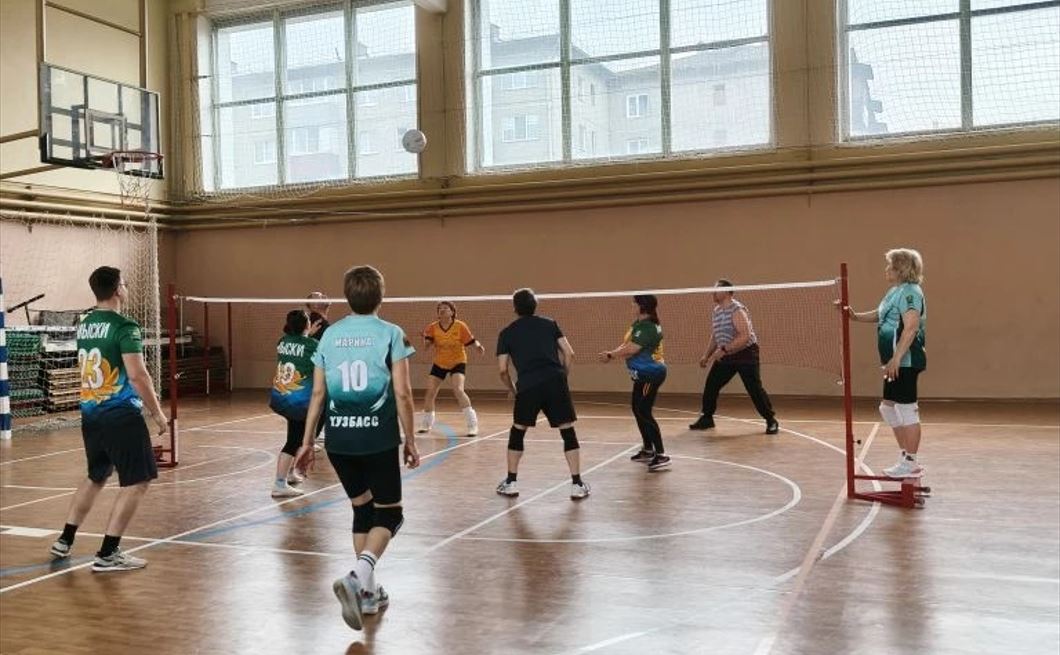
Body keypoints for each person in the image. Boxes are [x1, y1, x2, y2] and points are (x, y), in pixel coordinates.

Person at [295, 265, 420, 631]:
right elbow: (403, 393)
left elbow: (318, 394)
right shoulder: (391, 334)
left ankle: (367, 593)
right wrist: (410, 439)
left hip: (339, 441)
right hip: (377, 440)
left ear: (347, 297)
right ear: (381, 296)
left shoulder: (329, 336)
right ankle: (357, 576)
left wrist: (307, 442)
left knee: (363, 509)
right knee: (391, 514)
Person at [48, 266, 168, 572]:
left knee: (96, 475)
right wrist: (157, 413)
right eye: (124, 283)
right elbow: (138, 375)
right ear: (117, 290)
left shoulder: (85, 324)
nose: (126, 287)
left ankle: (65, 539)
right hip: (120, 414)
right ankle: (108, 553)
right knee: (138, 481)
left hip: (91, 413)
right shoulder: (125, 327)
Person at [495, 288, 590, 500]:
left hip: (527, 386)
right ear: (535, 305)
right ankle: (577, 484)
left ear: (515, 308)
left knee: (518, 430)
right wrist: (562, 377)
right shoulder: (550, 324)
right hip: (555, 382)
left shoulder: (506, 333)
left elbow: (502, 370)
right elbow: (569, 353)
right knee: (567, 430)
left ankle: (511, 482)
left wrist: (513, 390)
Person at [845, 248, 927, 478]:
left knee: (906, 410)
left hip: (906, 361)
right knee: (888, 408)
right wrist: (855, 317)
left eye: (890, 265)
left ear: (901, 269)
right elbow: (881, 314)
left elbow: (911, 327)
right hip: (893, 361)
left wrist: (897, 358)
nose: (887, 269)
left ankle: (911, 463)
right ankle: (905, 457)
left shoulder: (911, 292)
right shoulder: (894, 291)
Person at [689, 279, 779, 435]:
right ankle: (707, 418)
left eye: (716, 290)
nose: (713, 292)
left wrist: (724, 349)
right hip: (727, 355)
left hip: (745, 354)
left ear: (726, 292)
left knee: (754, 388)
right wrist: (706, 355)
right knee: (712, 385)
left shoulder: (737, 310)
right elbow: (715, 335)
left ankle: (771, 420)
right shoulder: (717, 311)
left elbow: (745, 336)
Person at [599, 295, 671, 471]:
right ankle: (648, 449)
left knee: (644, 410)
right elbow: (627, 345)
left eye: (635, 303)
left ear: (642, 306)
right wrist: (612, 353)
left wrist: (610, 355)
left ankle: (661, 454)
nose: (632, 305)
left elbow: (632, 349)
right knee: (637, 409)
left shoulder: (648, 327)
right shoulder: (639, 324)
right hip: (641, 375)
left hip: (651, 374)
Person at [268, 309, 322, 498]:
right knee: (293, 441)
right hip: (298, 401)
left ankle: (290, 473)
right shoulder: (313, 345)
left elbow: (298, 347)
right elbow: (313, 356)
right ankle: (279, 483)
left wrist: (307, 334)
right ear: (307, 325)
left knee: (297, 437)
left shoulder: (282, 341)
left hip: (281, 395)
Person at [417, 301, 486, 436]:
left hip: (457, 361)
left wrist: (478, 347)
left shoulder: (460, 326)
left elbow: (472, 341)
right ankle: (426, 423)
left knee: (458, 390)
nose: (442, 310)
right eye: (440, 308)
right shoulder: (432, 327)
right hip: (440, 362)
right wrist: (425, 339)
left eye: (446, 308)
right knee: (430, 392)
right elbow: (426, 347)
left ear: (452, 312)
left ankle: (472, 424)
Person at [306, 291, 330, 449]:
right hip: (316, 369)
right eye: (319, 296)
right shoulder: (315, 320)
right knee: (321, 402)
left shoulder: (321, 319)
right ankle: (310, 438)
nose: (324, 296)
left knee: (325, 403)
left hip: (323, 367)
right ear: (314, 305)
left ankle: (314, 435)